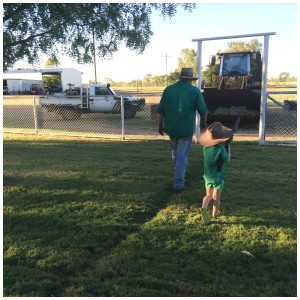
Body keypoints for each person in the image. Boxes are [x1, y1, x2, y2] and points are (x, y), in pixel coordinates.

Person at [157, 68, 208, 193]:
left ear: (180, 78)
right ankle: (178, 183)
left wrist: (160, 126)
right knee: (181, 156)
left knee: (176, 153)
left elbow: (160, 111)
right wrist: (204, 124)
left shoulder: (168, 89)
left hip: (171, 128)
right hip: (185, 129)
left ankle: (179, 173)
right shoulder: (195, 91)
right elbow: (203, 111)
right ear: (190, 80)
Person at [199, 122, 234, 224]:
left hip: (208, 176)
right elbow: (227, 160)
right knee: (216, 197)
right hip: (218, 176)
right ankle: (215, 214)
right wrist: (229, 149)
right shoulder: (220, 149)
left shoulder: (205, 147)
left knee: (208, 195)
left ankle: (204, 206)